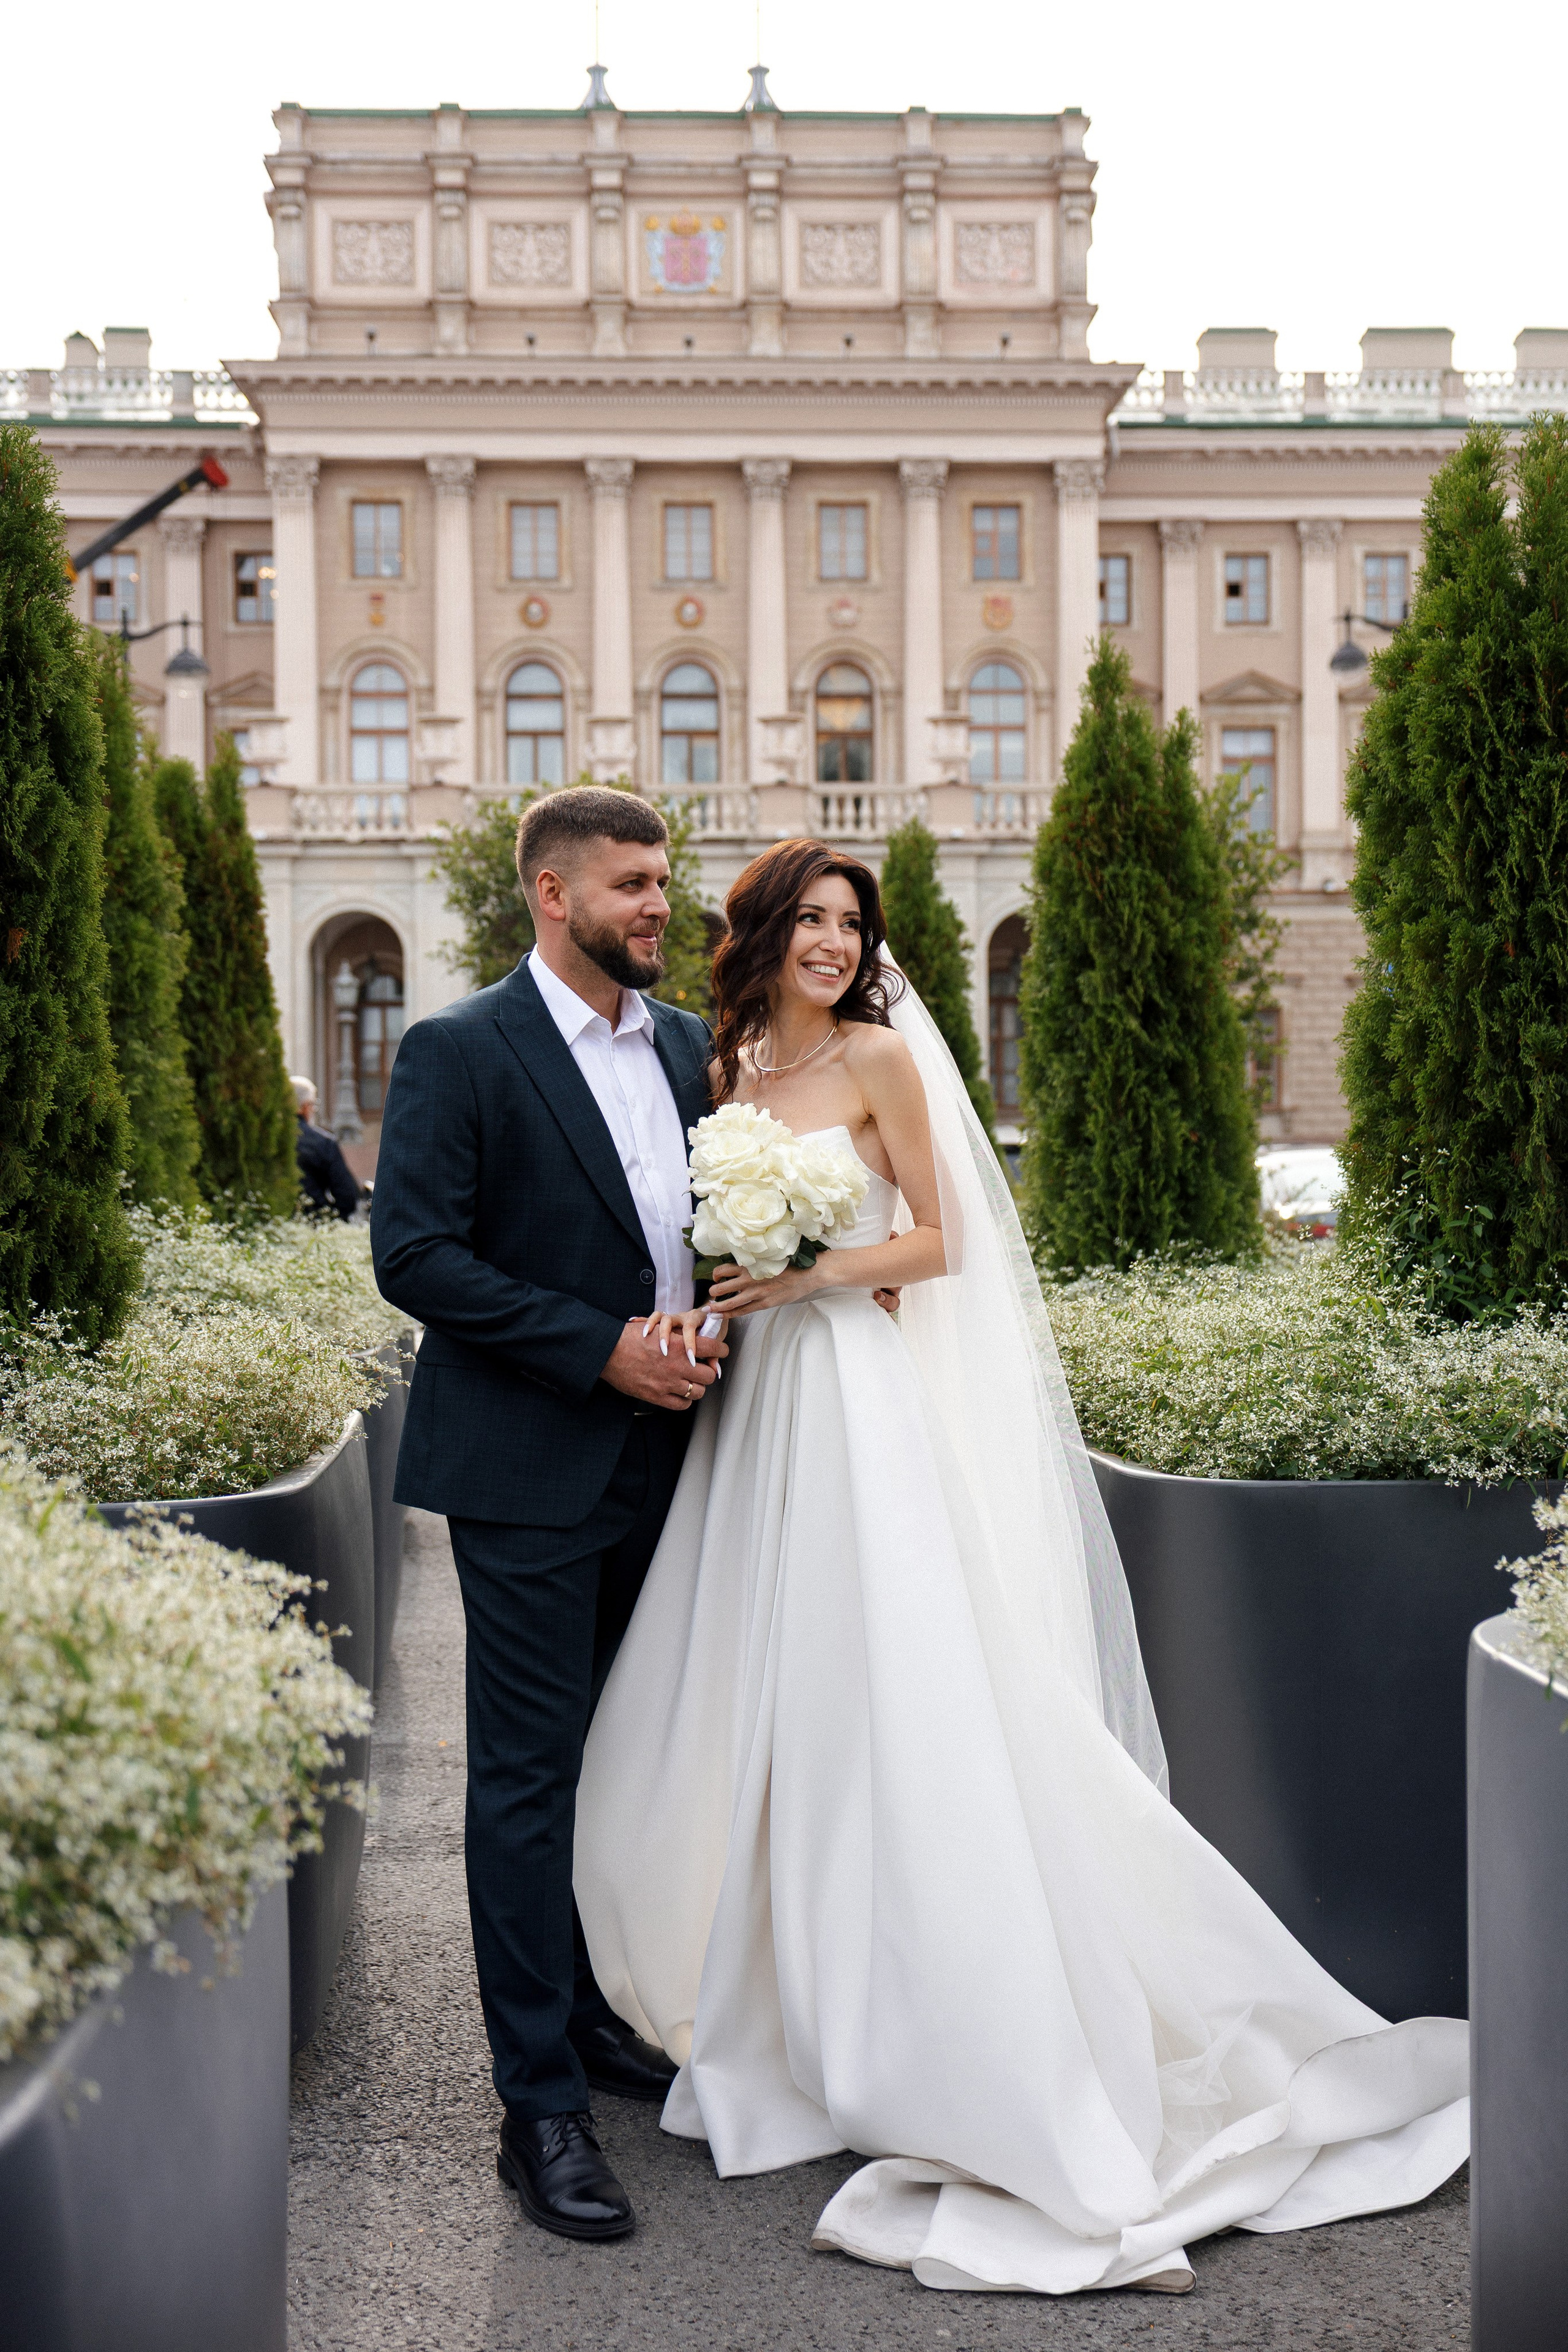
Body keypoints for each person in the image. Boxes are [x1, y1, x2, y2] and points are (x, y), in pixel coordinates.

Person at [573, 839, 1468, 2298]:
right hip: (758, 1413)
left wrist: (801, 1270)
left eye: (848, 923)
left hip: (853, 1393)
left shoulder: (877, 1056)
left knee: (883, 1687)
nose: (829, 941)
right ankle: (778, 2001)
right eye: (807, 918)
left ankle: (925, 2009)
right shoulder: (726, 1061)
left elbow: (932, 1245)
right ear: (762, 930)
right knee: (758, 1689)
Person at [371, 790, 727, 2244]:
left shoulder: (693, 1047)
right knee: (524, 1784)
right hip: (527, 1469)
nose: (657, 905)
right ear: (550, 892)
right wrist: (599, 1344)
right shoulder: (459, 1049)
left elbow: (710, 1232)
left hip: (675, 1460)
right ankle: (537, 2105)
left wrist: (724, 1322)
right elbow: (414, 1254)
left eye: (663, 881)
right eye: (631, 885)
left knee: (619, 1758)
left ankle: (584, 2017)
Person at [292, 1077, 361, 1221]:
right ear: (306, 1107)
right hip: (314, 1223)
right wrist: (330, 1218)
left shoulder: (263, 1139)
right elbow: (347, 1195)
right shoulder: (323, 1143)